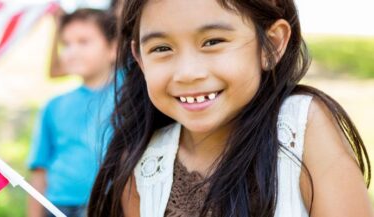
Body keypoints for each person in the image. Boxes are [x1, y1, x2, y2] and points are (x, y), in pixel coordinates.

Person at [87, 0, 373, 216]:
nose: (187, 73)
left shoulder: (302, 127)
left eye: (213, 42)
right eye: (162, 48)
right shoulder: (142, 166)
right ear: (139, 57)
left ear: (271, 45)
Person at [27, 8, 118, 217]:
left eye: (83, 42)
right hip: (58, 206)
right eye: (66, 44)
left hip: (109, 204)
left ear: (113, 48)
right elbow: (40, 169)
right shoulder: (54, 106)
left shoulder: (131, 98)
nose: (72, 51)